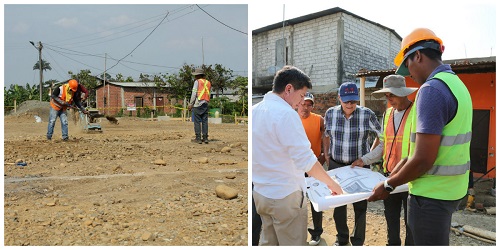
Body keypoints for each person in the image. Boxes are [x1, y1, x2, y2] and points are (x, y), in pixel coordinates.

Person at [367, 28, 473, 246]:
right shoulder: (457, 85)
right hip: (450, 191)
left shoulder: (431, 90)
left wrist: (388, 185)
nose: (409, 73)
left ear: (418, 56)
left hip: (430, 195)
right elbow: (419, 150)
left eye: (408, 65)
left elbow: (423, 158)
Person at [252, 65, 343, 246]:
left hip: (261, 194)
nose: (301, 102)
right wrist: (332, 183)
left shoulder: (255, 111)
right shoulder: (286, 114)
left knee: (269, 243)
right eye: (301, 96)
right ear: (288, 89)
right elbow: (306, 160)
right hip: (285, 197)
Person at [351, 74, 416, 246]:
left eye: (392, 95)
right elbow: (383, 145)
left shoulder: (417, 112)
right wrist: (364, 160)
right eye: (386, 96)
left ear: (403, 93)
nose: (389, 99)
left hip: (410, 180)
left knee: (412, 225)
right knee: (391, 220)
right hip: (389, 178)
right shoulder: (387, 114)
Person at [323, 82, 382, 246]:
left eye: (353, 101)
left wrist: (369, 156)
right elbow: (326, 135)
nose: (350, 105)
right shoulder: (330, 114)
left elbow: (382, 137)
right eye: (346, 101)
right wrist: (327, 155)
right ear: (339, 98)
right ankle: (341, 238)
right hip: (337, 165)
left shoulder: (367, 114)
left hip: (360, 167)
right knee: (338, 205)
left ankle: (357, 242)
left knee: (360, 206)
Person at [297, 92, 326, 246]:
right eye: (303, 103)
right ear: (298, 103)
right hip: (296, 167)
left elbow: (327, 137)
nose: (306, 107)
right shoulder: (291, 119)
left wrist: (323, 156)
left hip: (314, 165)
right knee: (297, 200)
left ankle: (316, 233)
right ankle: (298, 233)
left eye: (309, 104)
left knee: (316, 199)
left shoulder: (319, 120)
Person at [188, 68, 212, 144]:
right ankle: (205, 138)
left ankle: (198, 138)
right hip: (206, 103)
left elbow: (194, 94)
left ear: (198, 76)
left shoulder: (197, 82)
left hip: (198, 103)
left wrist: (191, 104)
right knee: (205, 121)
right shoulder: (208, 82)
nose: (194, 77)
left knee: (197, 121)